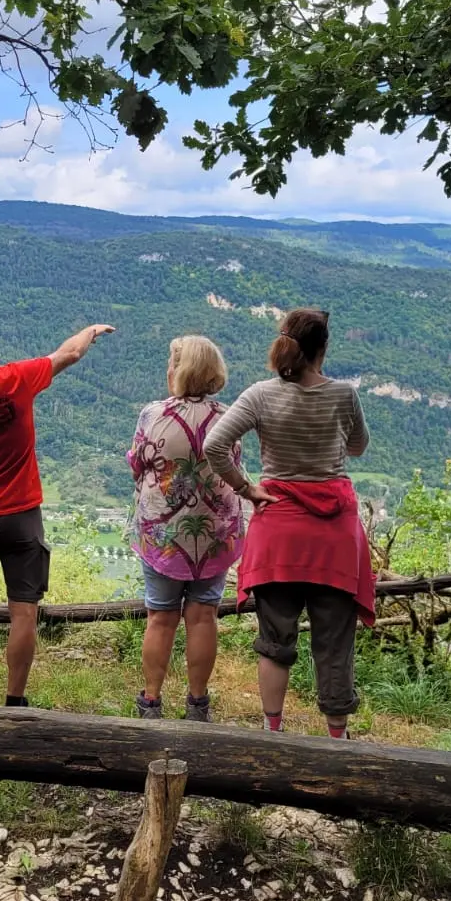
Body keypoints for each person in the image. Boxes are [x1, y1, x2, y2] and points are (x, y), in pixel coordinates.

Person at [0, 309, 114, 706]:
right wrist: (90, 330)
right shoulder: (15, 378)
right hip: (21, 513)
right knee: (23, 611)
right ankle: (15, 699)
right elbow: (68, 354)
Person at [205, 308, 373, 739]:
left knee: (275, 638)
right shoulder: (344, 394)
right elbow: (357, 448)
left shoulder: (260, 395)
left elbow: (215, 445)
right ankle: (336, 737)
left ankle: (272, 731)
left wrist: (247, 489)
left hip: (277, 528)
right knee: (334, 641)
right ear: (324, 348)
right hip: (333, 536)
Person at [126, 336, 246, 722]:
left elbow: (137, 464)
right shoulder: (229, 417)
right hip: (213, 536)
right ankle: (197, 704)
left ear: (179, 370)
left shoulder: (153, 415)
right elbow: (232, 465)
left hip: (162, 535)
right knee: (203, 616)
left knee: (160, 616)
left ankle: (151, 702)